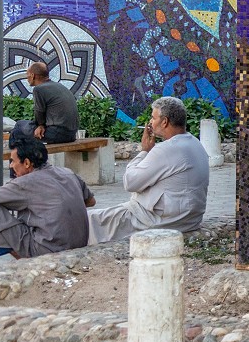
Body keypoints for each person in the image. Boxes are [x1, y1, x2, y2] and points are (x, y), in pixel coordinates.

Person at [88, 96, 210, 244]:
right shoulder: (196, 144)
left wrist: (144, 151)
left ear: (164, 122)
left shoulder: (166, 150)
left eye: (153, 117)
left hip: (158, 221)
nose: (150, 122)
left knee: (90, 220)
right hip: (188, 220)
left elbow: (130, 182)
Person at [0, 138, 94, 259]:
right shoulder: (67, 172)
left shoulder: (24, 183)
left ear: (26, 163)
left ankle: (24, 261)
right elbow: (91, 201)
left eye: (12, 161)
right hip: (80, 245)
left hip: (47, 250)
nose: (11, 165)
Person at [8, 63, 79, 149]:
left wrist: (40, 125)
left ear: (32, 75)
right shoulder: (60, 86)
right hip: (71, 135)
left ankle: (16, 159)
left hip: (57, 134)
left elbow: (39, 112)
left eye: (27, 75)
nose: (27, 78)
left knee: (19, 126)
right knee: (26, 129)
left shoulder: (39, 89)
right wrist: (41, 125)